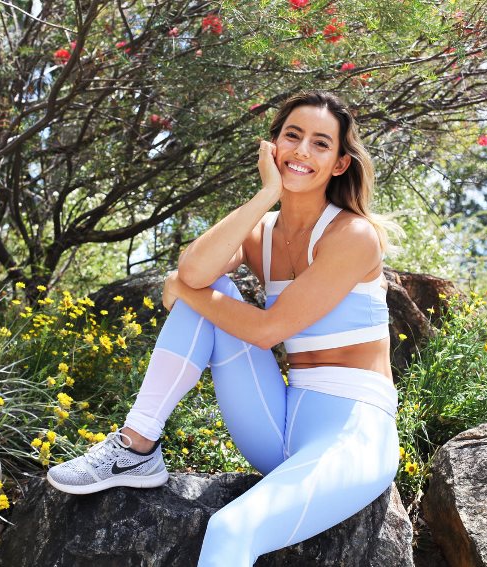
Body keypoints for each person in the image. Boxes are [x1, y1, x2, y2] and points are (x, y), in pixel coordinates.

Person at [46, 90, 403, 566]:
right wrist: (265, 196)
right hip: (278, 421)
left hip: (352, 433)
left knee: (231, 529)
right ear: (271, 147)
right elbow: (193, 269)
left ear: (339, 163)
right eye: (292, 137)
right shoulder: (261, 233)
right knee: (210, 289)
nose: (302, 151)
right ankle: (136, 446)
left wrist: (185, 288)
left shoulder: (352, 236)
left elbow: (266, 330)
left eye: (321, 143)